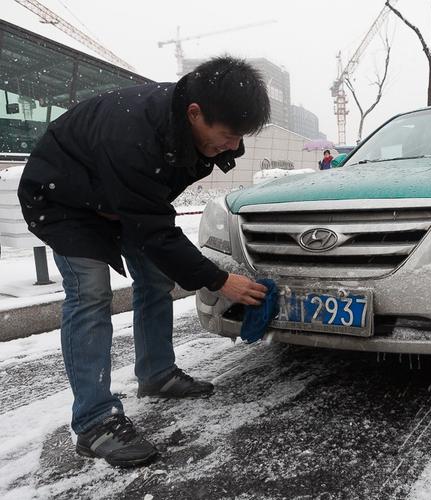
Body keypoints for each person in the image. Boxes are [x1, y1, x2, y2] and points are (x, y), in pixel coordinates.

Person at [17, 56, 271, 467]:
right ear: (195, 114)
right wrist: (219, 280)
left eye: (240, 137)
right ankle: (95, 421)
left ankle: (157, 374)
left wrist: (130, 211)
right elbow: (156, 229)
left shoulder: (192, 127)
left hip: (120, 199)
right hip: (62, 199)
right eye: (226, 136)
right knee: (91, 295)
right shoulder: (133, 134)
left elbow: (151, 213)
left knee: (155, 279)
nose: (233, 147)